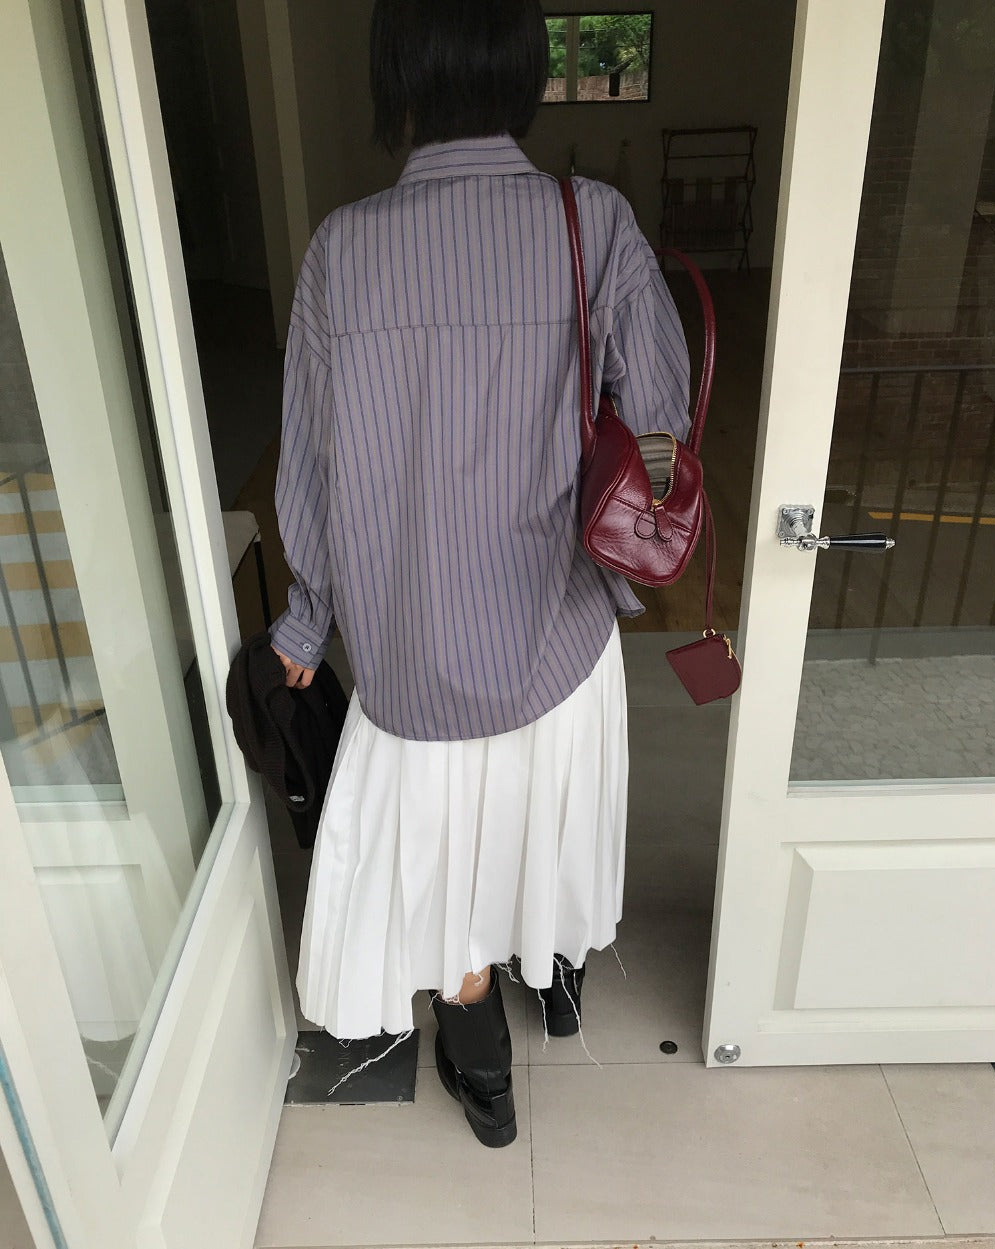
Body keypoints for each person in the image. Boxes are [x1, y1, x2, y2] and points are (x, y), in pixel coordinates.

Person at [269, 0, 690, 1149]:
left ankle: (480, 1056)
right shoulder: (592, 220)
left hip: (409, 648)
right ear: (524, 73)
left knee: (446, 844)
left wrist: (306, 624)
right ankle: (555, 974)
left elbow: (310, 464)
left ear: (395, 77)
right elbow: (660, 423)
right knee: (542, 818)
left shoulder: (341, 250)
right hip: (557, 630)